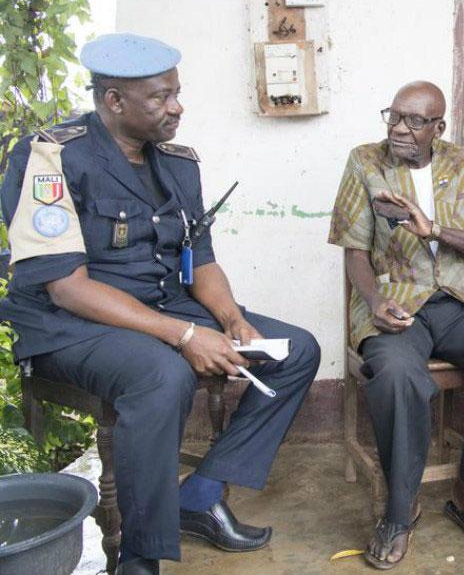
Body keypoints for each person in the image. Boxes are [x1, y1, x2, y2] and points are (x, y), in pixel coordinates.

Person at [0, 33, 321, 575]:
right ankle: (140, 556)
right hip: (70, 323)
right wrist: (185, 335)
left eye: (176, 93)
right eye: (160, 98)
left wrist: (231, 318)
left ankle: (200, 495)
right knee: (162, 375)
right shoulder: (51, 157)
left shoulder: (178, 164)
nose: (176, 107)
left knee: (297, 351)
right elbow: (66, 287)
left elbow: (201, 258)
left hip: (158, 303)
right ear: (114, 101)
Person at [327, 80, 464, 569]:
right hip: (396, 302)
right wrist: (375, 301)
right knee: (399, 374)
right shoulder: (366, 161)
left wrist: (435, 229)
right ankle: (400, 510)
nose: (400, 128)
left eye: (415, 121)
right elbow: (354, 250)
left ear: (437, 127)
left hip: (459, 301)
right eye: (394, 116)